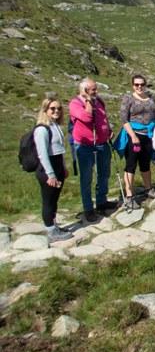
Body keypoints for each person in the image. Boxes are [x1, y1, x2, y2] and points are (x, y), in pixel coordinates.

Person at [69, 78, 114, 222]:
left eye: (95, 89)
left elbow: (103, 118)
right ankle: (88, 208)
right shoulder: (75, 103)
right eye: (93, 89)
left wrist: (108, 130)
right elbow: (87, 118)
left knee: (104, 173)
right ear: (84, 90)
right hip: (84, 145)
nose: (96, 91)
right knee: (86, 177)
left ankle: (101, 201)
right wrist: (88, 100)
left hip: (102, 143)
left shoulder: (99, 101)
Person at [34, 96, 73, 242]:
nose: (56, 111)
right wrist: (50, 174)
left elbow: (59, 149)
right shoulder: (42, 129)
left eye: (59, 108)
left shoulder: (55, 126)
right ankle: (50, 231)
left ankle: (54, 225)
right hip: (47, 169)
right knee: (48, 200)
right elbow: (42, 154)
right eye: (52, 108)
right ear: (45, 110)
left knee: (55, 199)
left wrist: (63, 168)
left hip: (57, 166)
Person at [119, 74, 155, 209]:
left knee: (145, 163)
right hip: (134, 134)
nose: (139, 87)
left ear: (145, 84)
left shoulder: (152, 98)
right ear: (133, 85)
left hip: (149, 135)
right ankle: (129, 195)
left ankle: (149, 189)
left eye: (142, 84)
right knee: (130, 165)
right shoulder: (128, 99)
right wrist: (133, 136)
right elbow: (124, 119)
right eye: (136, 84)